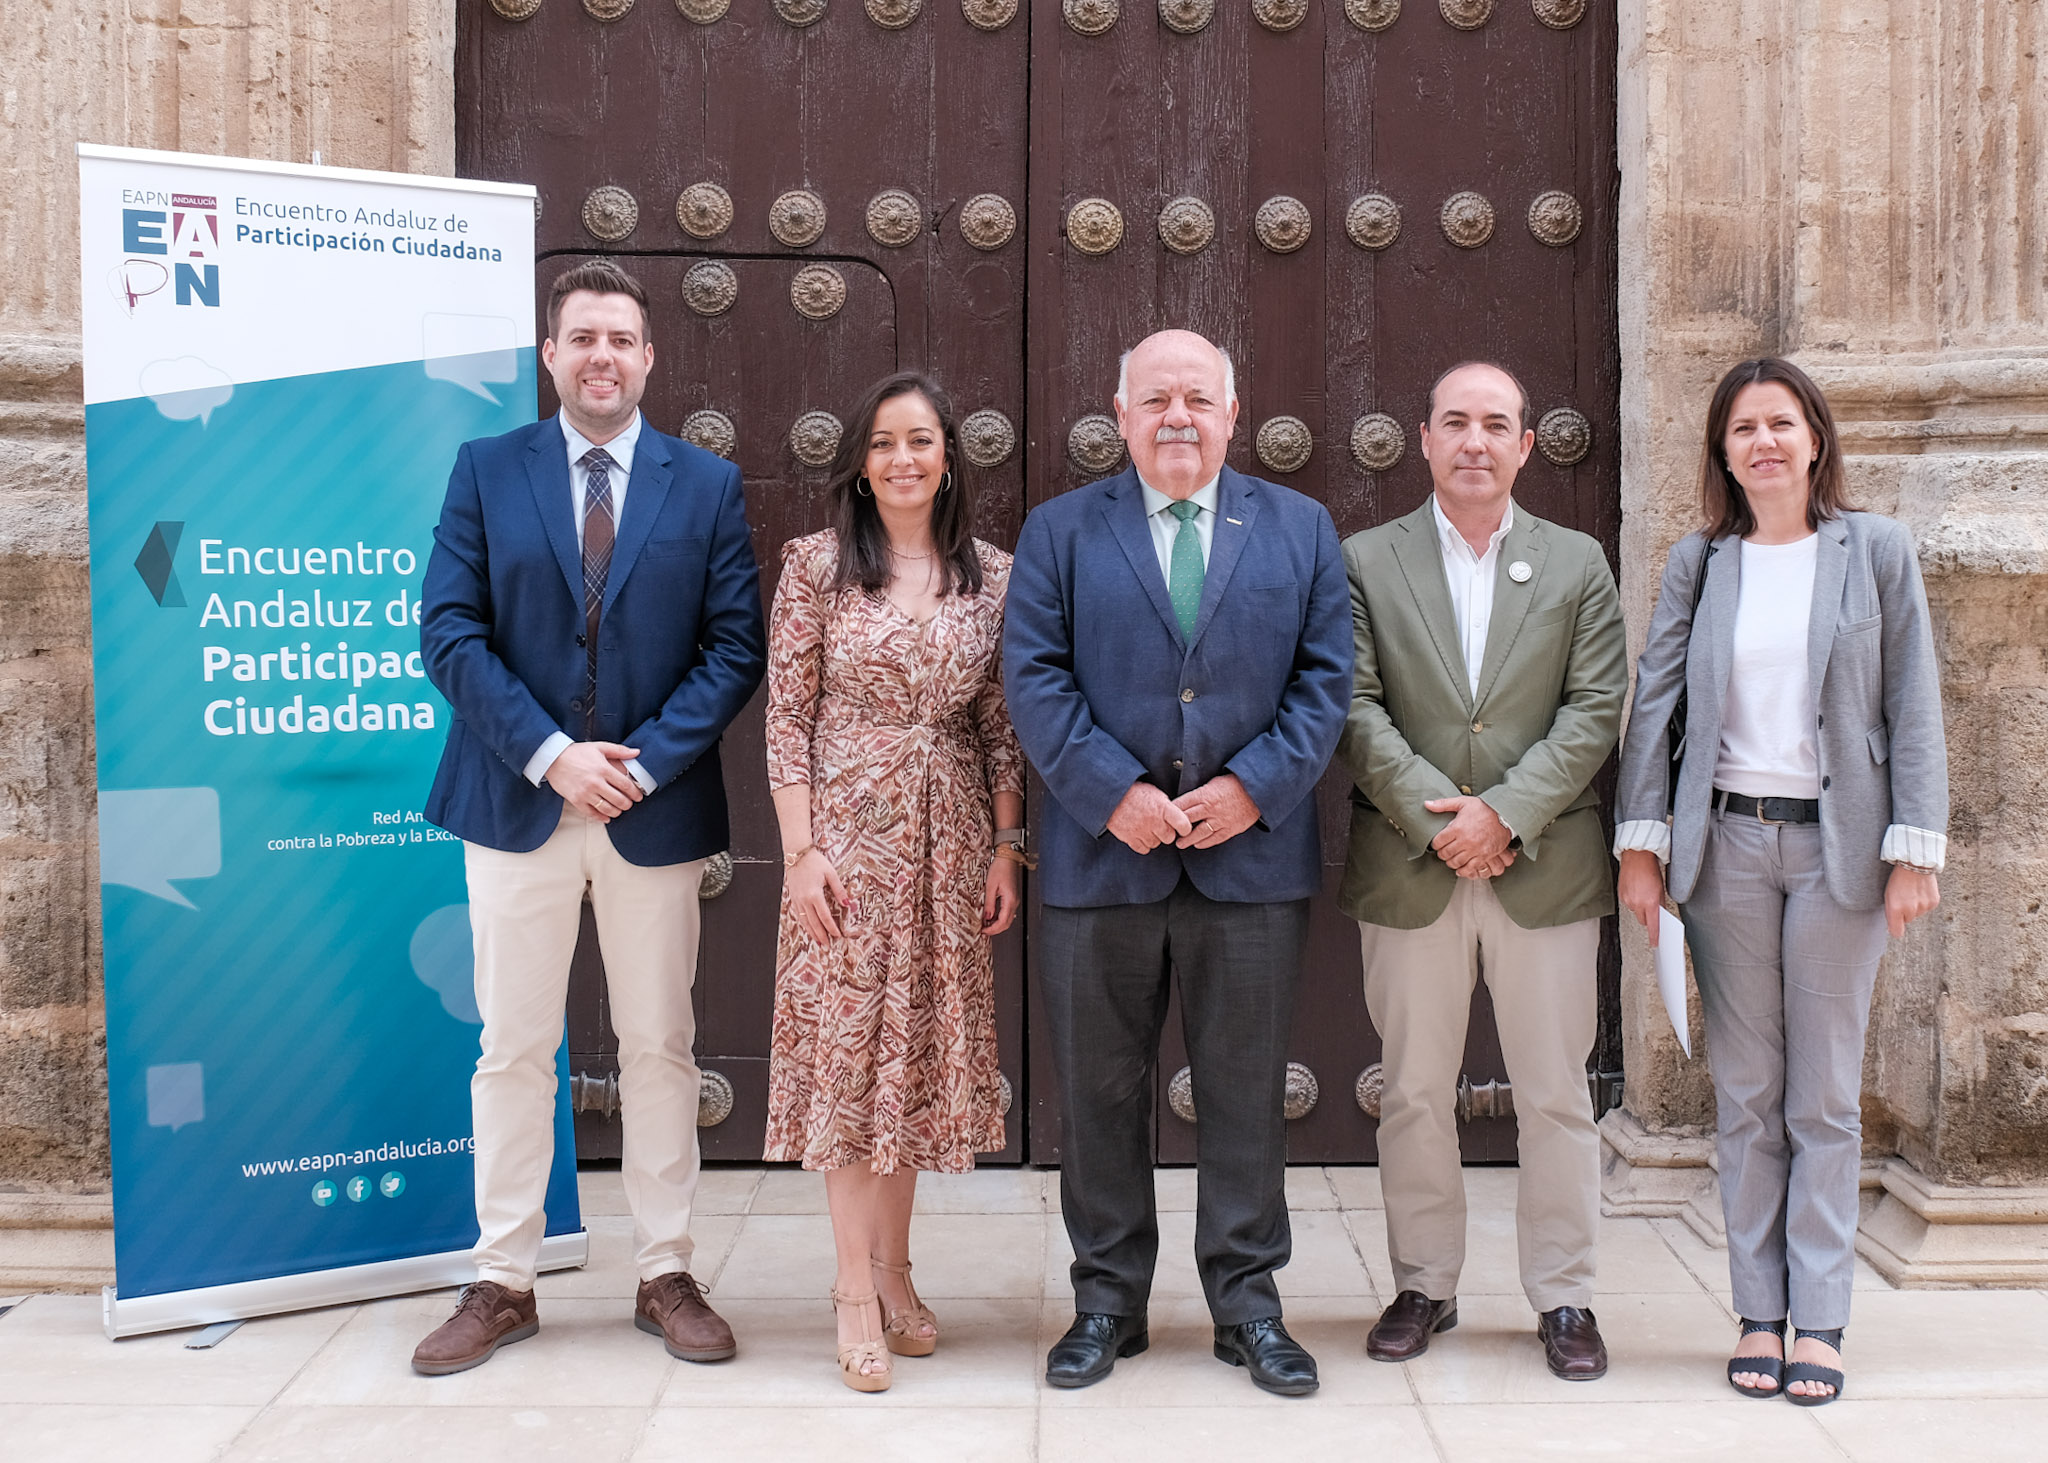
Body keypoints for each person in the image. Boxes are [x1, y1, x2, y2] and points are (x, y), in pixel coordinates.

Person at [413, 259, 766, 1375]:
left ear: (648, 357)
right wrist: (552, 755)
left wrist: (638, 765)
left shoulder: (705, 483)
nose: (601, 356)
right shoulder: (486, 469)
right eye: (582, 337)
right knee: (512, 1045)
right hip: (513, 798)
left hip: (649, 811)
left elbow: (733, 648)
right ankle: (501, 1280)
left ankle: (666, 1272)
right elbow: (448, 631)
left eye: (620, 338)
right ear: (550, 354)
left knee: (660, 1042)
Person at [1004, 329, 1351, 1397]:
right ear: (1121, 415)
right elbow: (1034, 677)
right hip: (1099, 859)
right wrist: (1115, 794)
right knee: (1099, 1093)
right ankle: (1107, 1301)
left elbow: (1325, 681)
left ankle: (1247, 1305)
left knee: (1245, 1092)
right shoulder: (1060, 530)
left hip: (1250, 862)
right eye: (1155, 399)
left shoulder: (1299, 527)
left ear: (1232, 414)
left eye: (1197, 398)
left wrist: (1251, 788)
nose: (1177, 417)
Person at [1614, 357, 1946, 1406]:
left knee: (1825, 1097)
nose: (1763, 441)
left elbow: (1913, 697)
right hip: (1726, 852)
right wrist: (1639, 845)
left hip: (1840, 856)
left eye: (1780, 422)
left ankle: (1823, 1319)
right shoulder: (1700, 562)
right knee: (1748, 1094)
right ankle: (1758, 1312)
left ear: (1814, 438)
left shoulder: (1874, 550)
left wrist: (1914, 849)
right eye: (1743, 427)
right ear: (1722, 450)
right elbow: (1655, 702)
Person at [1336, 361, 1626, 1381]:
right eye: (1453, 421)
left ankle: (1564, 1293)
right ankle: (1424, 1283)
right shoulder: (1365, 560)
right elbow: (1353, 706)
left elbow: (1595, 706)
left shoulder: (1576, 561)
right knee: (1414, 1090)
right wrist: (1444, 822)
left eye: (1494, 424)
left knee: (1555, 1093)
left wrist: (1503, 813)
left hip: (1541, 865)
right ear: (1422, 438)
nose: (1473, 441)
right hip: (1410, 864)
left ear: (1524, 445)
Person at [762, 372, 1025, 1393]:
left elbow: (998, 723)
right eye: (882, 442)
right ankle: (850, 1290)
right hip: (846, 848)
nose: (902, 458)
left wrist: (1005, 846)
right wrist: (801, 853)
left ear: (948, 456)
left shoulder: (992, 576)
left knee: (909, 1064)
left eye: (919, 440)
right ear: (860, 464)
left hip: (948, 842)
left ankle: (896, 1268)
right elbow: (786, 716)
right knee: (850, 1060)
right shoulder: (815, 565)